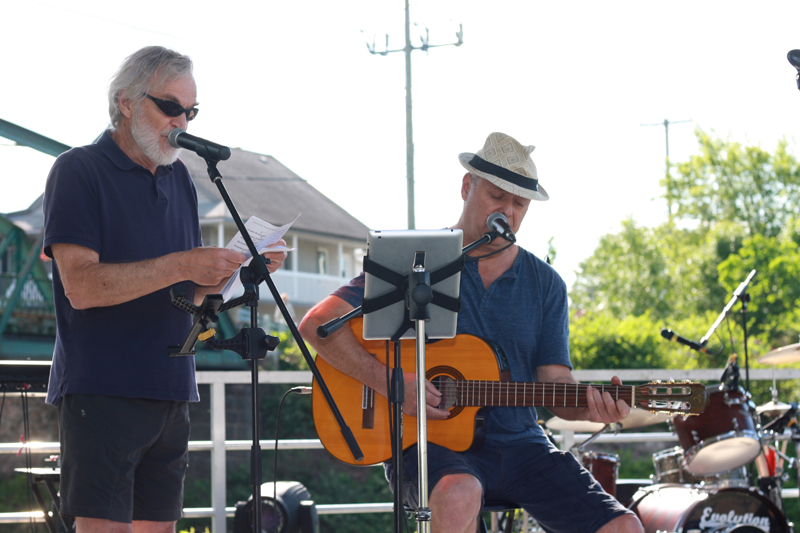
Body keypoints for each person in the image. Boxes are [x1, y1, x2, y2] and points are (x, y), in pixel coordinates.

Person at [299, 132, 644, 533]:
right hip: (429, 446)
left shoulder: (546, 283)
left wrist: (592, 406)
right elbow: (318, 326)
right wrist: (392, 383)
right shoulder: (415, 264)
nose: (508, 211)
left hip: (523, 446)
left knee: (623, 527)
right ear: (467, 187)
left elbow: (555, 385)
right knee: (458, 492)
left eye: (519, 203)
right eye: (498, 196)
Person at [43, 46, 286, 533]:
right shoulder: (78, 170)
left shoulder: (181, 180)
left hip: (172, 387)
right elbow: (82, 287)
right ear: (127, 102)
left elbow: (185, 295)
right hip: (104, 388)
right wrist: (182, 262)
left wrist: (233, 270)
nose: (183, 123)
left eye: (191, 112)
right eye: (170, 107)